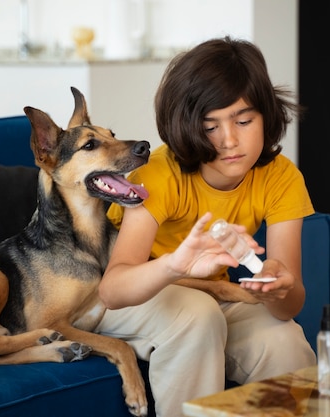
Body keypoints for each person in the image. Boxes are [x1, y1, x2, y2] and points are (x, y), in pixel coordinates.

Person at [96, 37, 316, 417]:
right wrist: (175, 265)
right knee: (197, 315)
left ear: (267, 115)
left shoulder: (281, 178)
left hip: (212, 294)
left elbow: (290, 306)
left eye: (244, 121)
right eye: (210, 127)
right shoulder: (161, 175)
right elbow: (113, 290)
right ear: (187, 127)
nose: (230, 141)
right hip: (132, 295)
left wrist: (277, 287)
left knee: (283, 341)